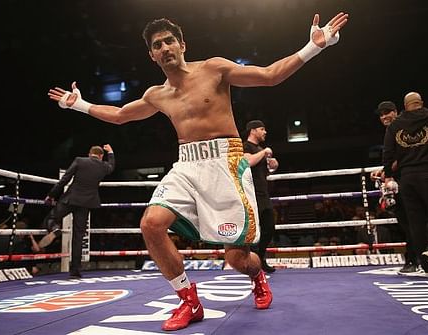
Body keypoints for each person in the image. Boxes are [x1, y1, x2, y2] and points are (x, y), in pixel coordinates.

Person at [48, 13, 348, 331]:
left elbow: (269, 75)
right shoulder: (156, 95)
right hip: (186, 165)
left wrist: (312, 47)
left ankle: (257, 275)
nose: (164, 47)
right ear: (151, 55)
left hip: (227, 164)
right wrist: (79, 104)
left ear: (182, 44)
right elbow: (121, 115)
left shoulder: (214, 68)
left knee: (237, 259)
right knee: (151, 224)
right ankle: (189, 301)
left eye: (169, 41)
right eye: (157, 45)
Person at [39, 144, 115, 278]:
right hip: (86, 203)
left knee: (50, 218)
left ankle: (55, 228)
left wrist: (51, 194)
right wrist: (111, 153)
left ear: (89, 153)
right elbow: (111, 167)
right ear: (101, 155)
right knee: (78, 237)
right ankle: (75, 270)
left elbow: (65, 179)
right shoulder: (103, 166)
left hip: (70, 199)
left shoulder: (80, 161)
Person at [383, 92, 428, 275]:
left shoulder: (396, 125)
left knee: (416, 222)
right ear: (421, 103)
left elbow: (388, 153)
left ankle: (425, 264)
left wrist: (388, 176)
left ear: (405, 107)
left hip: (406, 179)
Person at [370, 101, 419, 275]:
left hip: (409, 182)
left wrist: (388, 171)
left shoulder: (403, 128)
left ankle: (414, 260)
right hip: (399, 183)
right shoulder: (391, 131)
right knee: (406, 223)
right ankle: (415, 259)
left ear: (396, 112)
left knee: (412, 222)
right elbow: (393, 157)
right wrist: (384, 171)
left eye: (387, 113)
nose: (384, 117)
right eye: (381, 114)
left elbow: (407, 153)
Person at [243, 120, 279, 273]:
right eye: (262, 129)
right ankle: (253, 262)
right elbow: (248, 162)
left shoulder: (259, 149)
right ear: (253, 131)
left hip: (263, 194)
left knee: (269, 226)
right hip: (251, 194)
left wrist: (273, 164)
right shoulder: (245, 146)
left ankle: (259, 257)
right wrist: (264, 153)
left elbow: (269, 169)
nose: (265, 132)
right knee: (254, 230)